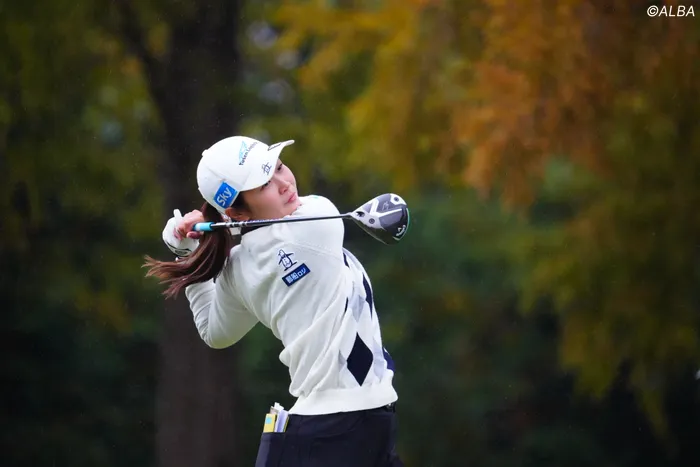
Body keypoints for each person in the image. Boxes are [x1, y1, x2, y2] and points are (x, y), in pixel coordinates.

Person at [144, 136, 403, 467]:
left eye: (279, 167)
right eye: (265, 183)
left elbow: (214, 331)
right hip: (334, 430)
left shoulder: (237, 268)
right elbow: (217, 330)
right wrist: (217, 235)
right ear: (236, 210)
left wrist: (186, 251)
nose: (284, 184)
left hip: (352, 426)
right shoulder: (317, 222)